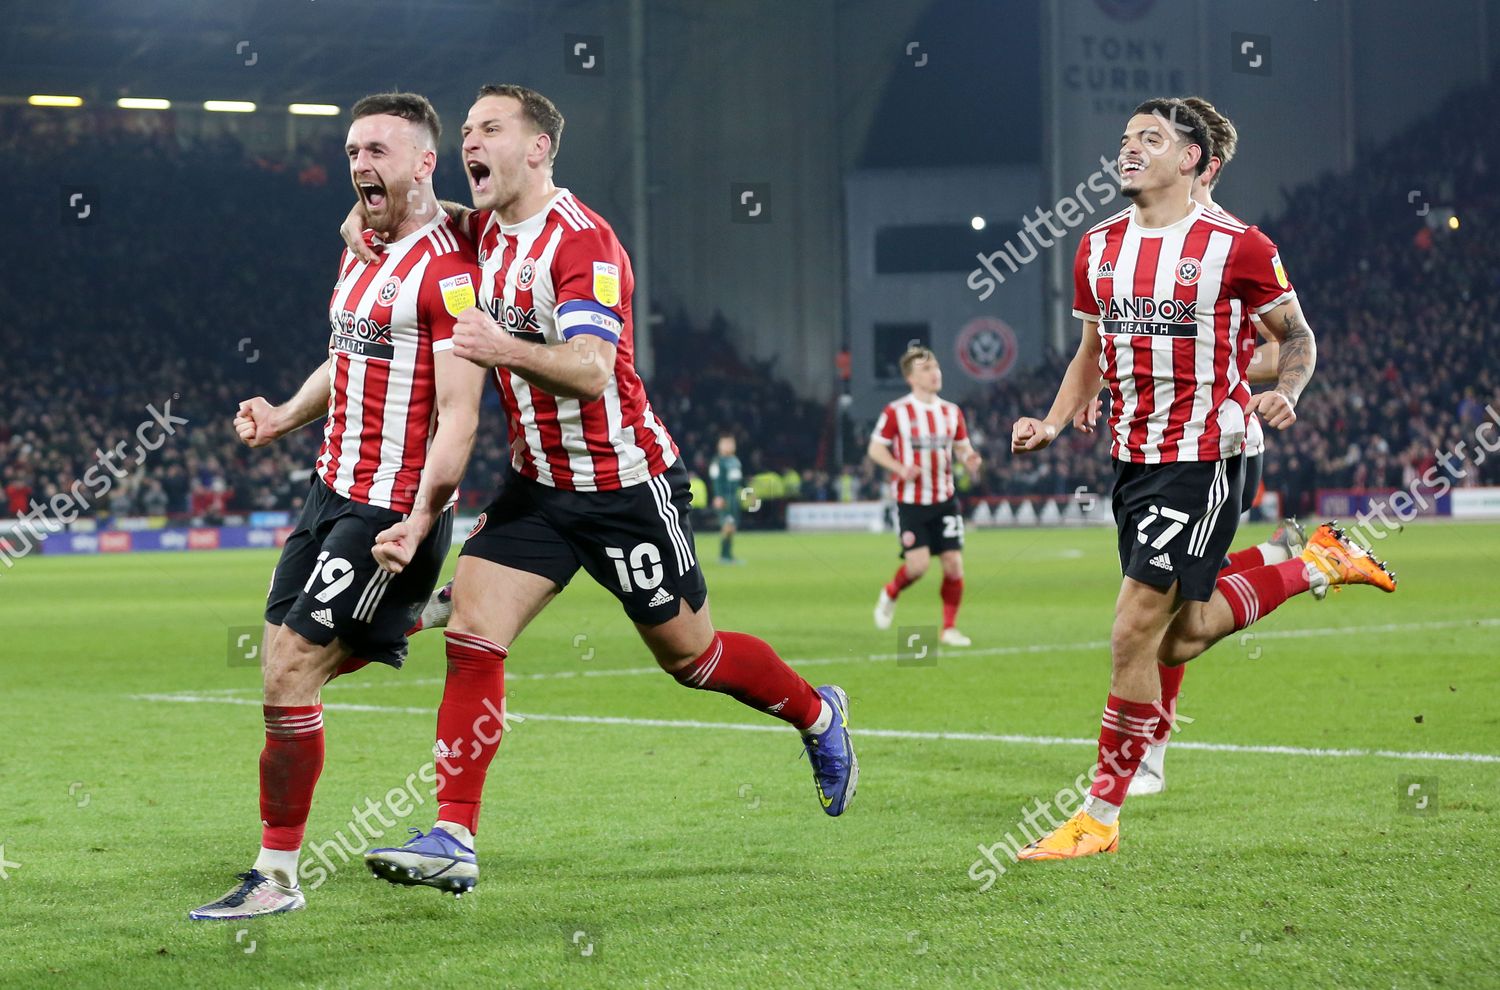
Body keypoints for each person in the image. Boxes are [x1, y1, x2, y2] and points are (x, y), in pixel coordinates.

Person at [339, 85, 857, 896]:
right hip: (539, 489)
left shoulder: (586, 244)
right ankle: (453, 834)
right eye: (466, 130)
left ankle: (818, 714)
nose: (471, 142)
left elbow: (588, 369)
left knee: (693, 658)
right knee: (474, 630)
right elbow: (404, 212)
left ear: (539, 148)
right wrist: (360, 223)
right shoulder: (475, 231)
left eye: (490, 129)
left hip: (623, 487)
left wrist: (499, 344)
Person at [1010, 97, 1395, 861]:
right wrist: (1053, 421)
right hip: (1134, 459)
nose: (1129, 149)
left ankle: (1099, 816)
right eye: (1125, 138)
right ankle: (1312, 562)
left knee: (1130, 634)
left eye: (1150, 139)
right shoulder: (1096, 247)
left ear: (1191, 160)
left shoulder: (1239, 246)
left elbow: (1298, 337)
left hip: (1208, 454)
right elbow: (1092, 353)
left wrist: (1288, 390)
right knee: (1179, 638)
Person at [191, 93, 486, 919]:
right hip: (328, 492)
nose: (361, 165)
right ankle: (417, 615)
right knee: (280, 665)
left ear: (426, 162)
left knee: (290, 672)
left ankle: (276, 874)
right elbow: (345, 357)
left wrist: (424, 518)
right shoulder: (361, 249)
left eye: (380, 151)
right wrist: (285, 414)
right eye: (354, 150)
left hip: (389, 510)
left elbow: (460, 412)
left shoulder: (452, 276)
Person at [869, 346, 982, 647]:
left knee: (954, 565)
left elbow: (962, 447)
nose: (935, 373)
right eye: (926, 369)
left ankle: (949, 628)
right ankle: (891, 592)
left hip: (945, 499)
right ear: (911, 378)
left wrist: (970, 459)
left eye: (936, 367)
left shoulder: (951, 412)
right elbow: (875, 448)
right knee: (917, 567)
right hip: (911, 502)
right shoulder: (896, 412)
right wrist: (899, 467)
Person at [708, 432, 744, 563]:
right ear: (719, 446)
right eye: (725, 443)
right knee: (727, 525)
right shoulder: (718, 462)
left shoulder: (735, 461)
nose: (729, 446)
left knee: (732, 526)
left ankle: (729, 554)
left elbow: (738, 480)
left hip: (734, 497)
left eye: (731, 443)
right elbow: (715, 480)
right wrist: (718, 496)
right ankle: (724, 555)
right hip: (724, 497)